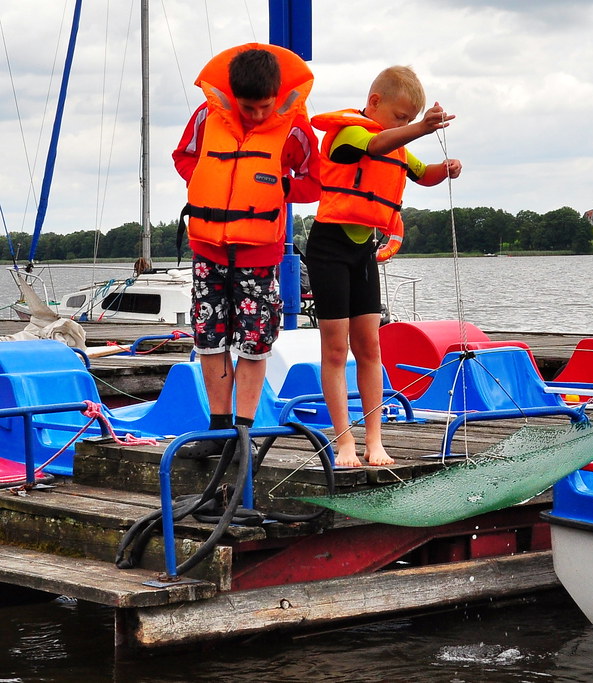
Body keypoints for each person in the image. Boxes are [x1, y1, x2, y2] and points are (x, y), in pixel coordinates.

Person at [308, 65, 462, 467]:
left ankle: (374, 440)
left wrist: (444, 170)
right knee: (336, 350)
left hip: (362, 252)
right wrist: (422, 129)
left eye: (409, 121)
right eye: (400, 118)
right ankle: (344, 441)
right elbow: (374, 148)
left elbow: (420, 173)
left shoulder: (396, 142)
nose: (404, 126)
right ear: (374, 103)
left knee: (370, 347)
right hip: (329, 248)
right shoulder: (350, 133)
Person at [172, 44, 320, 456]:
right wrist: (205, 182)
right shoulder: (207, 116)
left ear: (276, 95)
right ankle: (218, 430)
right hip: (208, 250)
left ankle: (243, 431)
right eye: (248, 107)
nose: (256, 115)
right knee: (210, 339)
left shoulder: (293, 129)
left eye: (264, 107)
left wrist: (278, 187)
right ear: (233, 95)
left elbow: (314, 180)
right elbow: (183, 157)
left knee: (255, 343)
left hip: (259, 255)